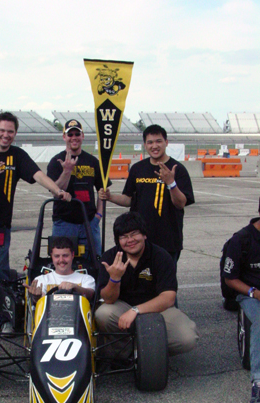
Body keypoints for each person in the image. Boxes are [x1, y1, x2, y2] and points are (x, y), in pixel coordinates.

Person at [0, 111, 71, 333]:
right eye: (2, 130)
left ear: (15, 133)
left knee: (1, 273)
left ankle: (5, 318)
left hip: (0, 227)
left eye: (10, 131)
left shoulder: (17, 156)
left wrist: (57, 190)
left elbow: (39, 175)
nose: (6, 135)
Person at [95, 212, 198, 355]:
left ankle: (148, 350)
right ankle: (125, 352)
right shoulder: (110, 257)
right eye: (124, 237)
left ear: (144, 235)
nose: (129, 240)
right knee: (103, 314)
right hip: (122, 309)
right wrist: (114, 279)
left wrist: (135, 310)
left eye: (134, 234)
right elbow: (108, 299)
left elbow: (168, 298)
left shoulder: (161, 256)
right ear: (118, 240)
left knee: (186, 338)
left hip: (157, 310)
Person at [99, 124, 194, 264]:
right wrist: (110, 196)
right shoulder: (138, 168)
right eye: (150, 142)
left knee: (164, 282)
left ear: (166, 143)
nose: (154, 146)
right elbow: (129, 199)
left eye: (158, 141)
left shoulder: (177, 169)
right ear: (145, 144)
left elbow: (180, 203)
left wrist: (171, 183)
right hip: (138, 240)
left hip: (168, 240)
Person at [47, 119, 108, 256]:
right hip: (64, 223)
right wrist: (67, 170)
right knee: (62, 264)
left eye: (77, 134)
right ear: (64, 137)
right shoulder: (56, 162)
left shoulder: (92, 161)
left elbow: (102, 190)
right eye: (70, 134)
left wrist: (98, 215)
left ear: (82, 136)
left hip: (90, 223)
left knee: (94, 263)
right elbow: (55, 191)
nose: (73, 138)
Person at [222, 203, 260, 403]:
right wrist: (254, 292)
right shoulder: (241, 240)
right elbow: (230, 278)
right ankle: (258, 381)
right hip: (250, 294)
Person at [27, 236, 95, 302]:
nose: (61, 260)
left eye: (65, 256)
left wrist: (76, 287)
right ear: (52, 257)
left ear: (72, 255)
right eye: (57, 256)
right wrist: (36, 296)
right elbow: (40, 302)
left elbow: (90, 294)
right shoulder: (41, 280)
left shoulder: (86, 279)